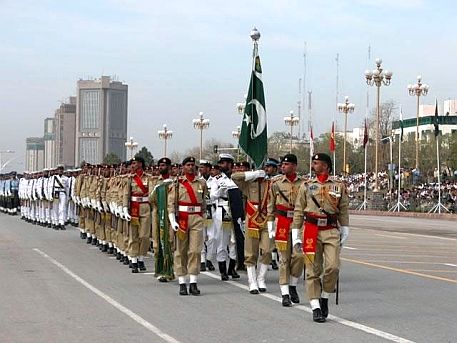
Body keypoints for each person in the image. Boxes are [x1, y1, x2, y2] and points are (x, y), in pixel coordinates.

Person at [292, 153, 350, 323]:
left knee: (333, 267)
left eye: (316, 163)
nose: (313, 166)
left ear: (325, 165)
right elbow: (298, 210)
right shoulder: (307, 186)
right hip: (310, 230)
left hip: (331, 230)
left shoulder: (338, 186)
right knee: (312, 270)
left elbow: (344, 208)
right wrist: (296, 234)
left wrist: (345, 228)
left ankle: (325, 296)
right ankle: (316, 306)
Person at [267, 154, 305, 307]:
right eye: (282, 164)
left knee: (299, 256)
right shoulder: (276, 183)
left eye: (287, 164)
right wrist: (270, 225)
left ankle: (293, 285)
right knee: (284, 259)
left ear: (294, 166)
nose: (283, 167)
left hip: (298, 223)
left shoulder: (304, 184)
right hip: (282, 222)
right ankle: (285, 293)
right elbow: (271, 205)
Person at [168, 157, 208, 296]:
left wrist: (204, 220)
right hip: (182, 219)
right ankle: (181, 282)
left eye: (192, 165)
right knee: (180, 251)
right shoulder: (177, 184)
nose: (191, 167)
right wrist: (173, 220)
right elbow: (171, 204)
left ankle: (193, 282)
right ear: (183, 167)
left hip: (197, 219)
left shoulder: (201, 183)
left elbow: (203, 204)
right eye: (188, 165)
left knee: (195, 251)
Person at [232, 166, 272, 294]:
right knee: (251, 251)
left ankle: (261, 279)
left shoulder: (271, 184)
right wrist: (252, 174)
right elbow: (234, 177)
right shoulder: (248, 184)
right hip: (252, 217)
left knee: (267, 250)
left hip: (267, 217)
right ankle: (252, 281)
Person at [210, 154, 241, 281]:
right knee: (222, 240)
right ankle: (223, 270)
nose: (221, 165)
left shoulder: (236, 178)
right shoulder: (217, 179)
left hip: (236, 209)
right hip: (223, 209)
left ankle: (232, 267)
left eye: (224, 163)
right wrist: (220, 191)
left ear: (230, 164)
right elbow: (212, 196)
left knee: (234, 240)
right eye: (221, 163)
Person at [123, 156, 151, 273]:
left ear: (140, 164)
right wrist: (125, 208)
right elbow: (126, 194)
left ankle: (141, 258)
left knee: (144, 236)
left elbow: (152, 192)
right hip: (134, 207)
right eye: (132, 164)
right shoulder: (130, 178)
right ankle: (134, 260)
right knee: (133, 235)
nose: (132, 166)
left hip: (145, 208)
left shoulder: (149, 178)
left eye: (134, 163)